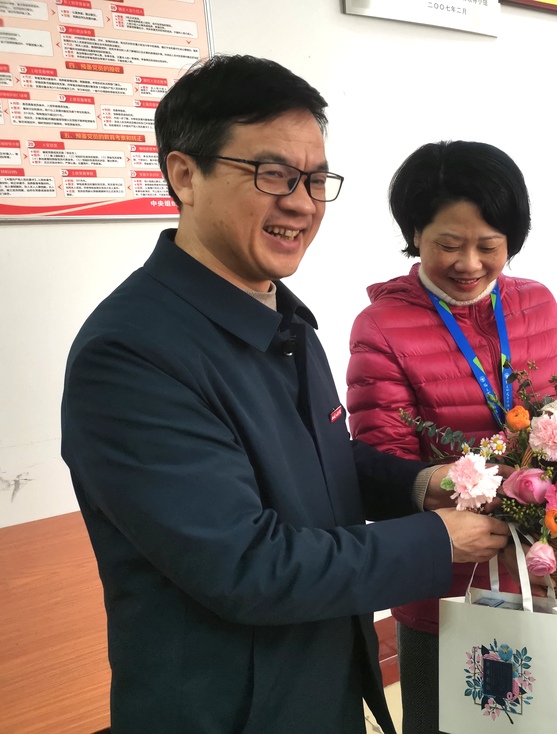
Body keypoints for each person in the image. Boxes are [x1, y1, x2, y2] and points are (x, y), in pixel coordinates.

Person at [60, 56, 512, 734]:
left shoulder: (283, 319)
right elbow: (246, 564)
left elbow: (318, 462)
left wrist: (422, 485)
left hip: (317, 670)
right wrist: (435, 541)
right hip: (228, 707)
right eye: (271, 174)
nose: (301, 202)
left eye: (314, 179)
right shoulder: (132, 355)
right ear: (185, 175)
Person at [346, 140, 557, 733]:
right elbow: (386, 465)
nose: (469, 263)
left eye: (489, 245)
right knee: (446, 718)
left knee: (530, 719)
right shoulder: (383, 327)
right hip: (446, 578)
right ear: (415, 234)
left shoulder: (535, 302)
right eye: (448, 245)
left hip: (538, 567)